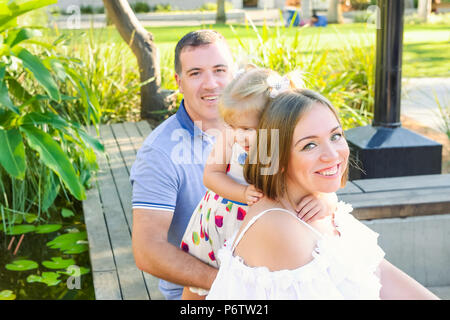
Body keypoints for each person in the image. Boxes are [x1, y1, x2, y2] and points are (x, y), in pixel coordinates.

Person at [206, 88, 439, 299]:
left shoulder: (318, 203)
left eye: (336, 135)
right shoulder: (278, 228)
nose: (332, 155)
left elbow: (378, 273)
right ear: (278, 157)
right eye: (309, 145)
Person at [180, 67, 338, 299]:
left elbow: (316, 178)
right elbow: (211, 175)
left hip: (266, 232)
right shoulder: (230, 135)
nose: (238, 136)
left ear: (275, 124)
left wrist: (325, 199)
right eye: (233, 126)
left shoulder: (289, 145)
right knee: (201, 289)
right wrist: (242, 192)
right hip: (224, 220)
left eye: (247, 129)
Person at [130, 30, 235, 300]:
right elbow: (148, 250)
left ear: (233, 74)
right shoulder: (159, 153)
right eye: (196, 73)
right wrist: (232, 284)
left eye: (219, 70)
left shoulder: (259, 129)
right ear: (179, 82)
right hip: (200, 293)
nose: (211, 83)